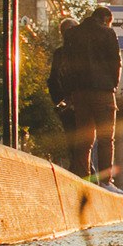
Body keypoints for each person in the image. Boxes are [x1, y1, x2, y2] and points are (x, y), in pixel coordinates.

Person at [58, 7, 121, 182]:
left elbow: (66, 66)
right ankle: (105, 181)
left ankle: (82, 178)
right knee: (106, 138)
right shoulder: (108, 33)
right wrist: (112, 85)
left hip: (80, 93)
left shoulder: (72, 34)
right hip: (103, 92)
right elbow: (115, 62)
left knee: (84, 139)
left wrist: (71, 92)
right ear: (106, 18)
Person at [47, 18, 80, 158]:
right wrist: (61, 101)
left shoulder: (64, 53)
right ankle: (85, 172)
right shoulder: (62, 53)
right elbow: (53, 79)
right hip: (73, 104)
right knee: (77, 142)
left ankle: (85, 171)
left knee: (80, 143)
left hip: (78, 102)